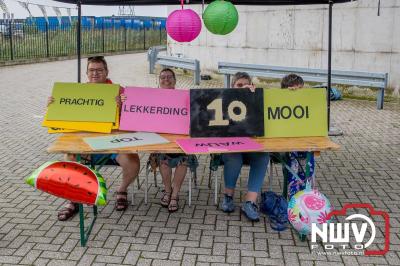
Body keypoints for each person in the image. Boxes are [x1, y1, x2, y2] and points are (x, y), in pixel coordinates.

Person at [47, 56, 140, 220]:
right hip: (86, 144)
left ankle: (122, 190)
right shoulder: (78, 92)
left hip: (112, 143)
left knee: (132, 162)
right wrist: (53, 106)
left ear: (106, 72)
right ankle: (74, 199)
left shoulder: (120, 91)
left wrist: (123, 106)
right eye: (91, 70)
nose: (95, 73)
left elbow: (135, 118)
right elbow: (63, 119)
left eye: (99, 70)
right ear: (86, 73)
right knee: (69, 158)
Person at [220, 72, 270, 222]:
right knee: (234, 157)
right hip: (231, 146)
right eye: (239, 85)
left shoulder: (257, 98)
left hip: (252, 145)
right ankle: (228, 196)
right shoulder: (222, 99)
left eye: (245, 85)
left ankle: (250, 202)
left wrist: (253, 98)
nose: (242, 88)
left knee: (262, 156)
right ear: (232, 86)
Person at [154, 68, 190, 212]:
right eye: (162, 77)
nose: (166, 79)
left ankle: (175, 195)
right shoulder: (151, 98)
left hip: (180, 140)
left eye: (169, 77)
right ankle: (168, 191)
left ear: (175, 80)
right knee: (163, 159)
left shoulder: (184, 97)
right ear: (159, 81)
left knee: (183, 159)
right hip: (160, 141)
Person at [280, 73, 315, 199]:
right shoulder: (279, 102)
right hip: (287, 147)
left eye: (301, 89)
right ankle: (292, 197)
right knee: (292, 161)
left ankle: (307, 193)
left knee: (309, 156)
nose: (298, 92)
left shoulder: (308, 103)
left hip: (304, 145)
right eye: (294, 89)